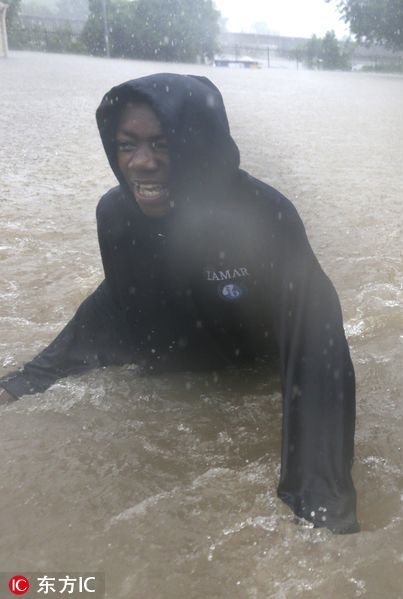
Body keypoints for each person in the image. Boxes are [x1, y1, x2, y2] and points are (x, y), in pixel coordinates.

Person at [0, 74, 358, 533]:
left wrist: (322, 504)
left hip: (258, 365)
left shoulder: (265, 215)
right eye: (126, 145)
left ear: (198, 144)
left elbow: (315, 339)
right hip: (181, 366)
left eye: (162, 144)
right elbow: (116, 304)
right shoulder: (115, 215)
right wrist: (28, 380)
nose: (141, 163)